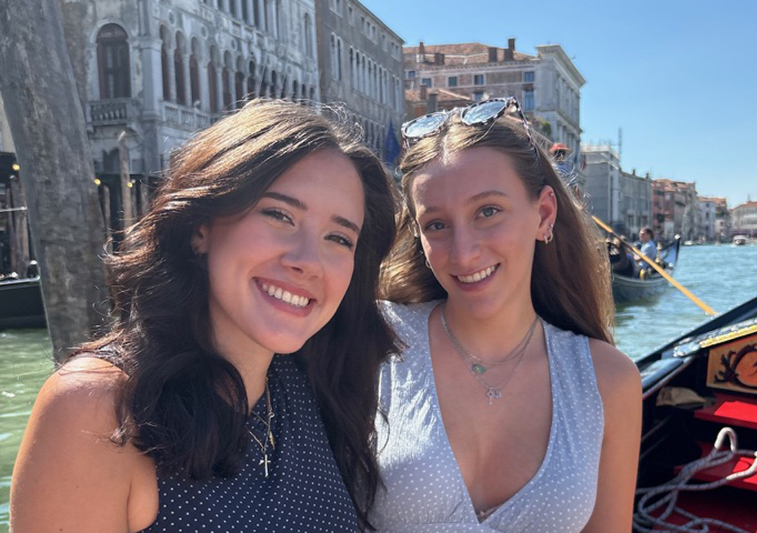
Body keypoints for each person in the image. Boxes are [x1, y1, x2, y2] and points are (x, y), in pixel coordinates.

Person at [10, 100, 398, 532]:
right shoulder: (97, 409)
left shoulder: (309, 385)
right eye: (279, 214)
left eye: (339, 238)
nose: (309, 261)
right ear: (201, 229)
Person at [375, 98, 642, 532]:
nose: (463, 252)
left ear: (544, 214)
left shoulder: (608, 381)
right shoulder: (374, 339)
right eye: (437, 225)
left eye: (488, 212)